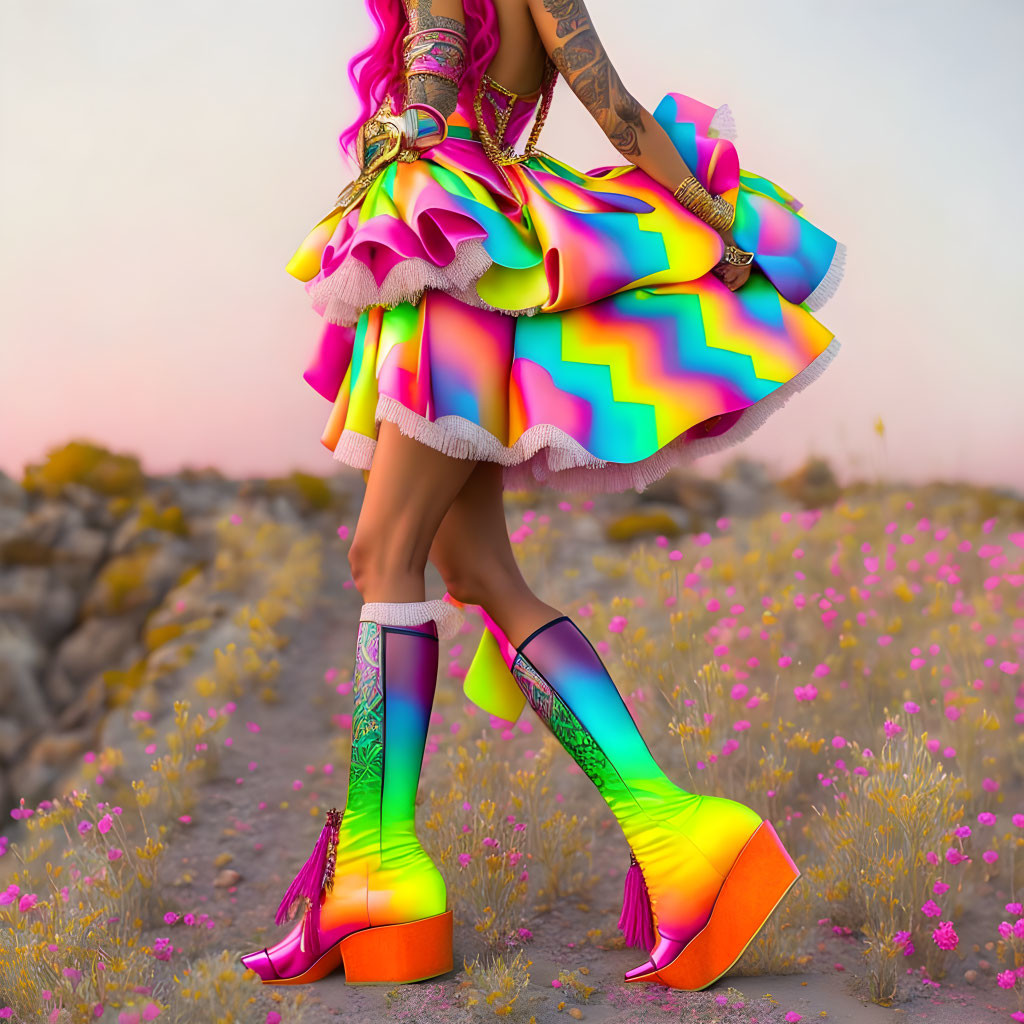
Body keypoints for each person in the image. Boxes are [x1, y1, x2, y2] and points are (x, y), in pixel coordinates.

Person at [240, 0, 844, 992]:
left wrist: (405, 135)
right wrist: (713, 216)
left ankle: (381, 873)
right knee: (472, 568)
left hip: (447, 267)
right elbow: (623, 119)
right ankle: (680, 839)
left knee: (380, 558)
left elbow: (431, 103)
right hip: (495, 258)